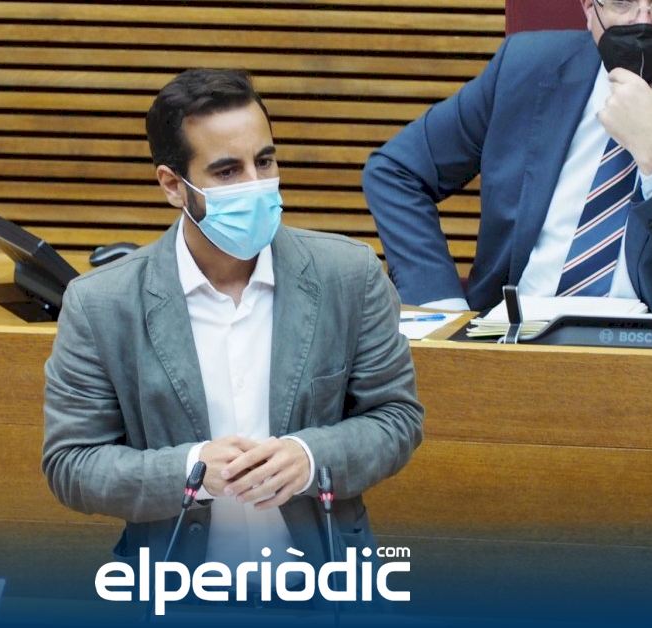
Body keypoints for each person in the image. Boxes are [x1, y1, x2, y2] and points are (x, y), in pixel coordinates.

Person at [41, 69, 423, 579]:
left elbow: (396, 419)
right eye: (226, 171)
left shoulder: (349, 275)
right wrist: (193, 472)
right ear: (173, 186)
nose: (255, 185)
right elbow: (72, 465)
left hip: (326, 585)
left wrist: (310, 457)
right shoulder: (100, 304)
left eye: (264, 161)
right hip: (177, 591)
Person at [363, 0, 652, 318]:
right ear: (588, 7)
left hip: (651, 361)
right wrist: (443, 311)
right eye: (621, 2)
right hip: (509, 343)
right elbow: (396, 172)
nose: (641, 21)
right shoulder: (524, 68)